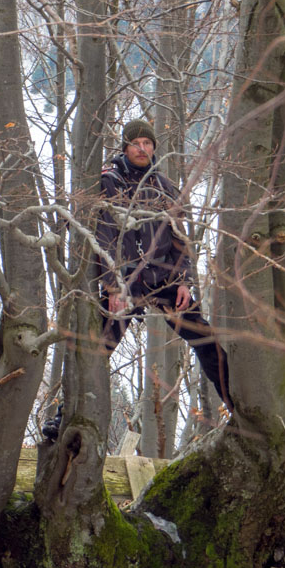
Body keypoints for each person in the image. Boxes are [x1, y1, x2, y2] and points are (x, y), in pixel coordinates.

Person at [95, 119, 230, 408]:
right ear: (125, 147)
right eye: (135, 143)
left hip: (162, 279)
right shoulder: (111, 180)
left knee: (206, 341)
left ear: (154, 148)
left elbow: (181, 237)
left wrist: (183, 281)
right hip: (126, 281)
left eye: (147, 144)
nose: (141, 149)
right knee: (95, 351)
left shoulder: (165, 186)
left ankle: (238, 408)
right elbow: (104, 232)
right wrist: (111, 284)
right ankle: (63, 417)